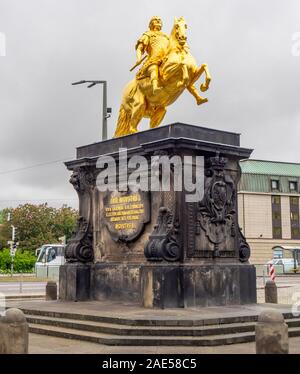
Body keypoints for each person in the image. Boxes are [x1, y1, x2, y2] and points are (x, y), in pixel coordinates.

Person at [135, 17, 169, 94]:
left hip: (166, 59)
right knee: (154, 68)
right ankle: (155, 87)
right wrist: (138, 58)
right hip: (153, 60)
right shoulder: (148, 34)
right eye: (155, 20)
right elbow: (139, 48)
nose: (158, 20)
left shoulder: (166, 36)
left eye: (159, 20)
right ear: (151, 24)